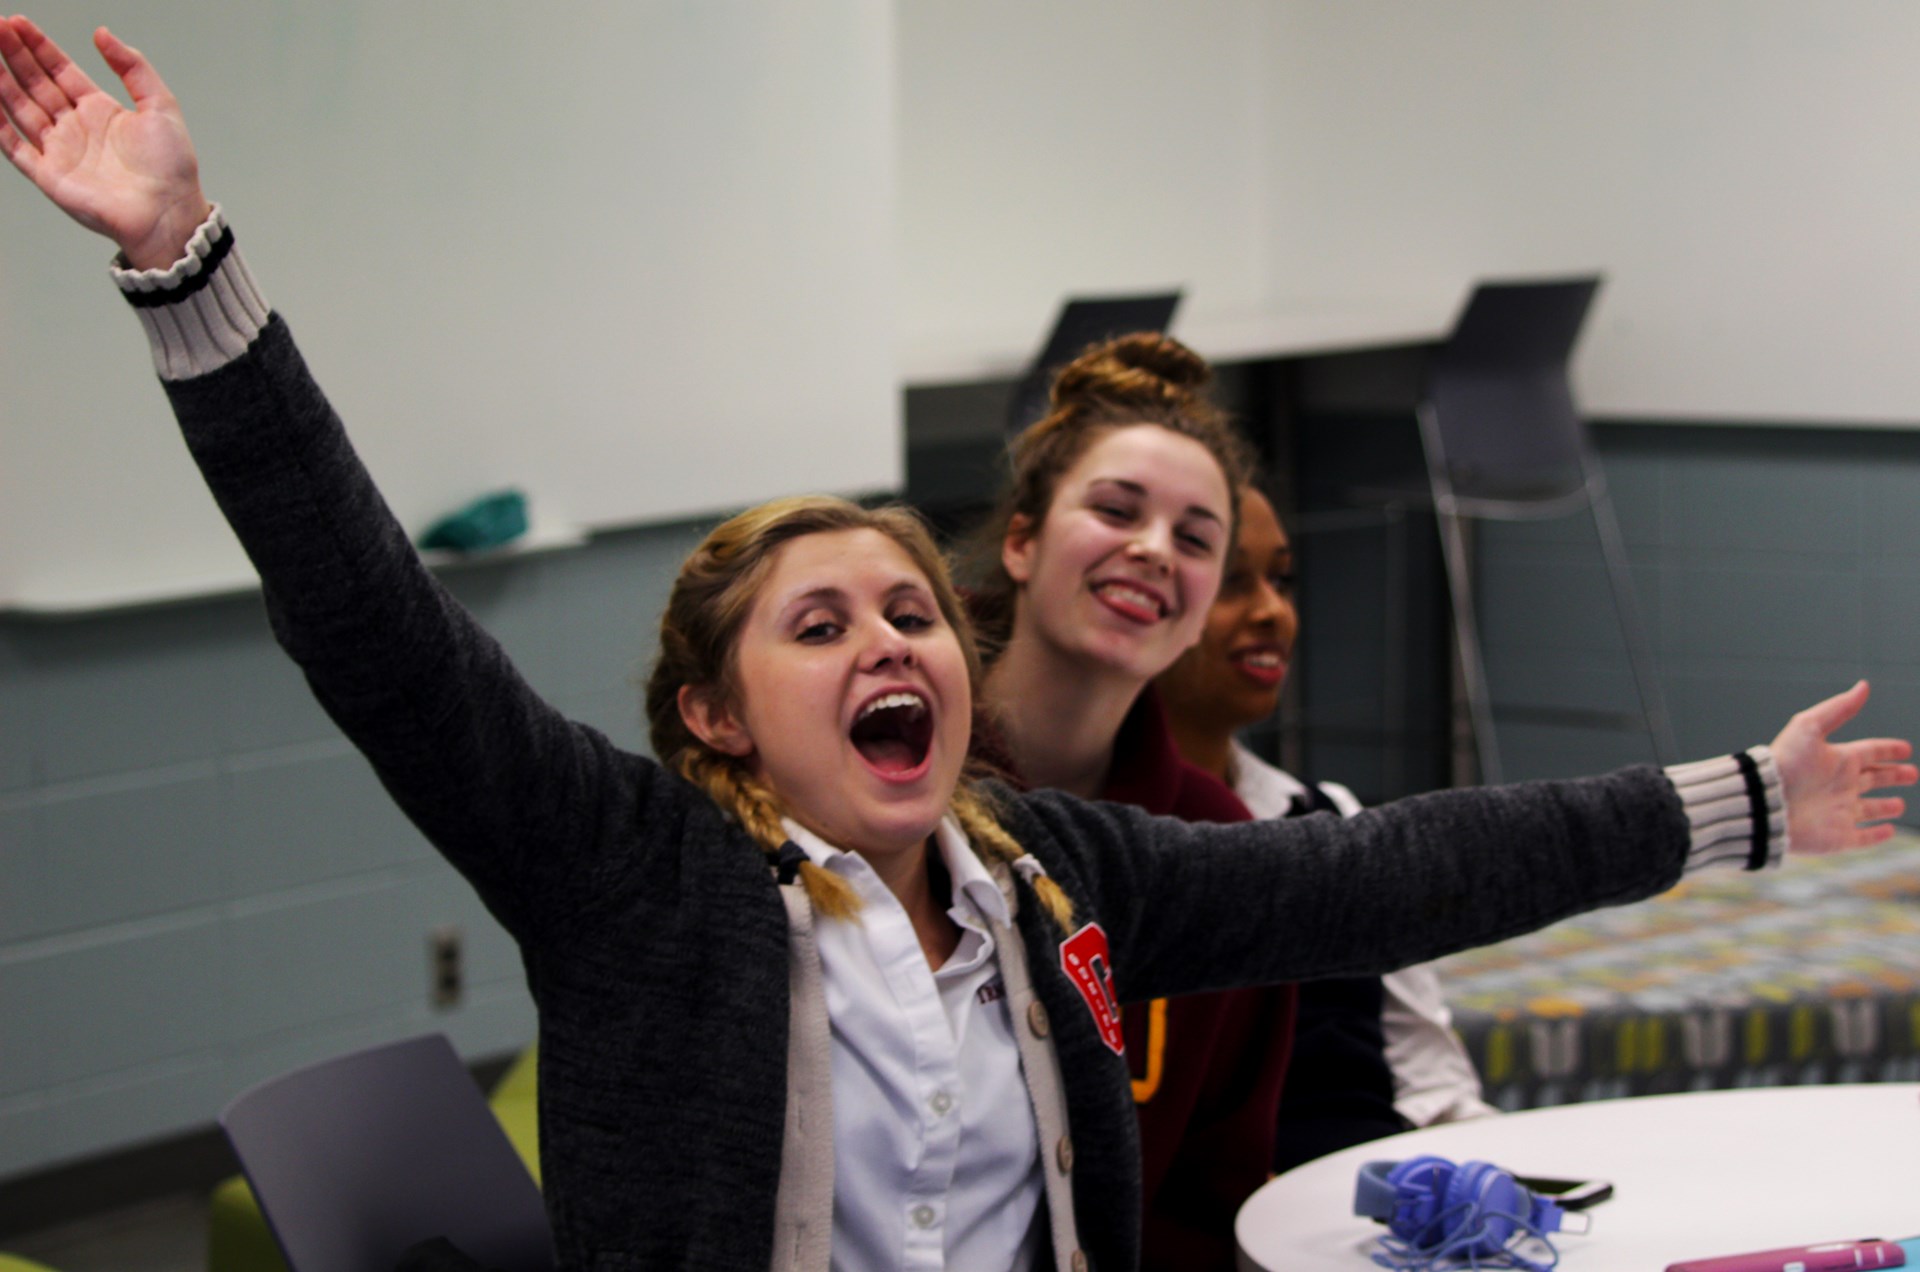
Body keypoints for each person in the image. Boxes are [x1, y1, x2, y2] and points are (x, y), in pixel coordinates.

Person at [4, 20, 1911, 1272]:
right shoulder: (638, 882)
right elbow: (370, 623)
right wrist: (186, 271)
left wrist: (1741, 800)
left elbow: (1388, 867)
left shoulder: (1053, 877)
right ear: (715, 717)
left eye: (908, 608)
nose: (884, 640)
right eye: (815, 625)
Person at [967, 334, 1305, 1269]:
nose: (1154, 550)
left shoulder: (1217, 842)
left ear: (1200, 606)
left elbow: (1214, 1187)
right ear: (1023, 539)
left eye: (1198, 540)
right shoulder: (886, 774)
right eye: (1116, 511)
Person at [1155, 484, 1499, 1182]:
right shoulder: (1098, 851)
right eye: (1230, 583)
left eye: (1281, 579)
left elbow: (1432, 1082)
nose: (1271, 612)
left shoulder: (1327, 819)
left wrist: (1478, 1183)